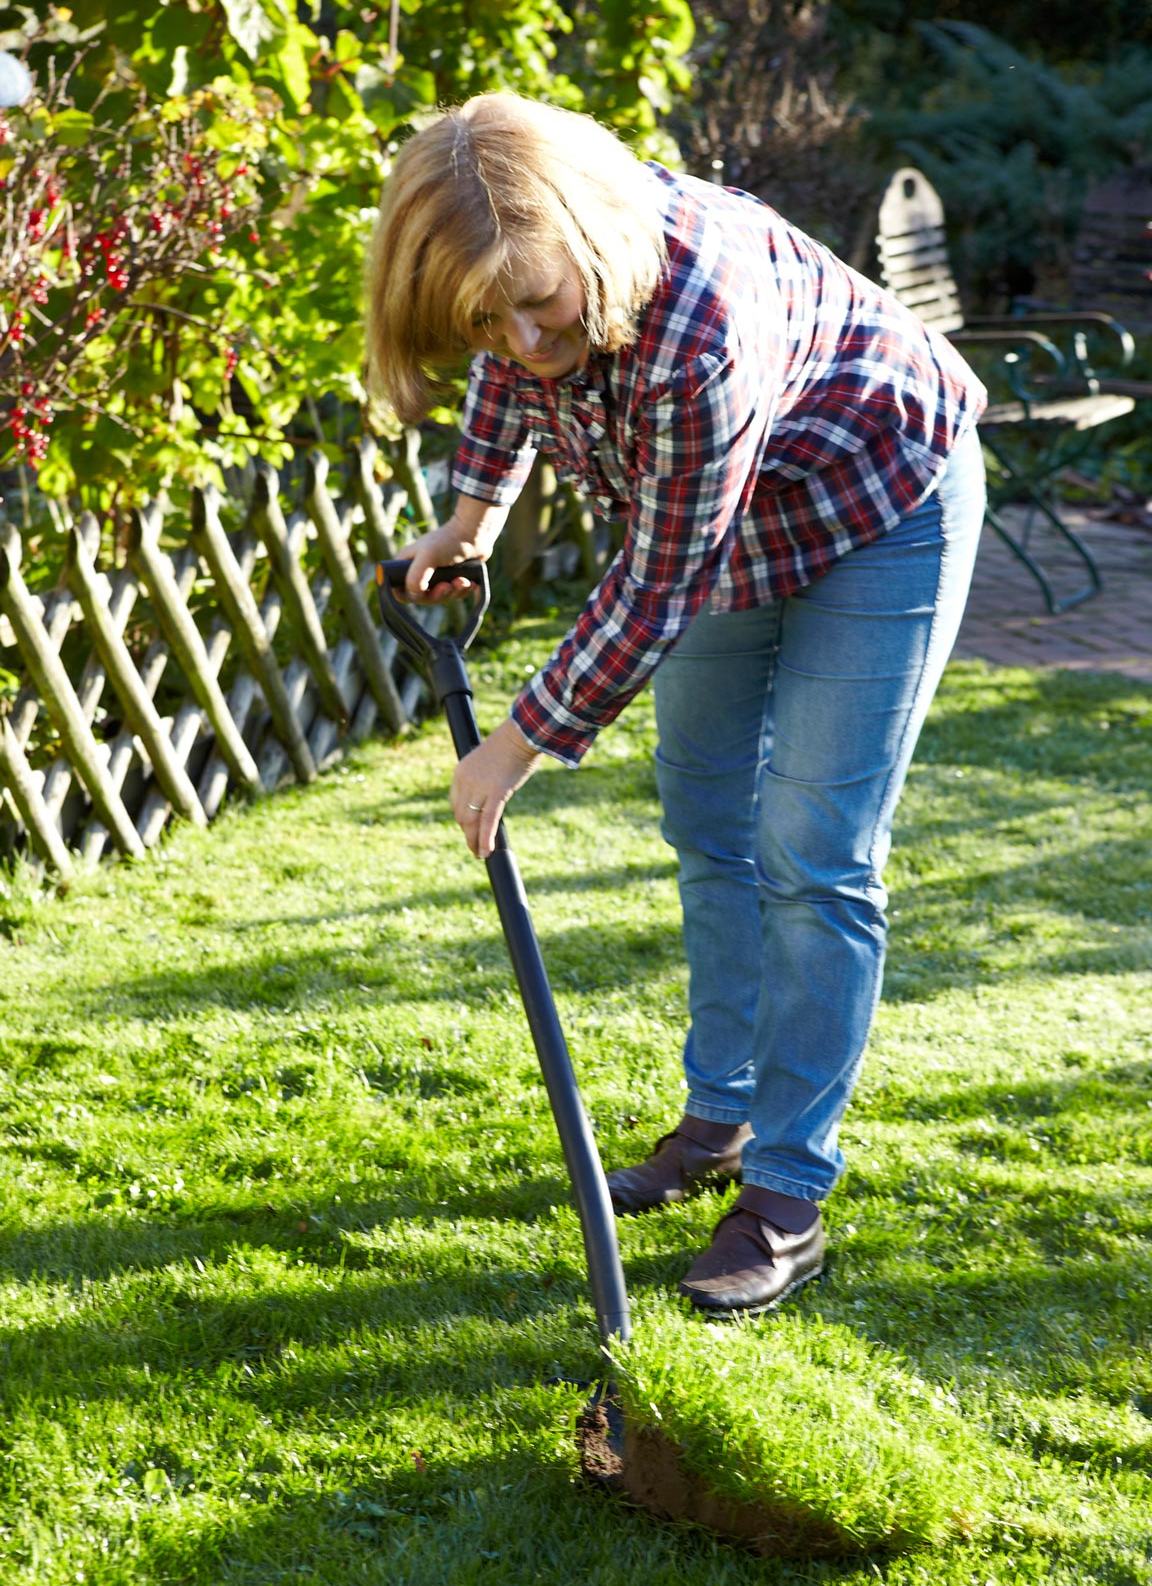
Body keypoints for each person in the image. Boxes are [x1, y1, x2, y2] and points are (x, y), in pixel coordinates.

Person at [365, 92, 987, 1317]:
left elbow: (657, 584)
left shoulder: (698, 320)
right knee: (706, 821)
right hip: (721, 525)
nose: (524, 338)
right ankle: (721, 1118)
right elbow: (513, 381)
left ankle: (788, 1194)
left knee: (813, 851)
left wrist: (516, 742)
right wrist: (473, 517)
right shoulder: (522, 295)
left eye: (540, 302)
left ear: (588, 248)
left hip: (879, 506)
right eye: (485, 317)